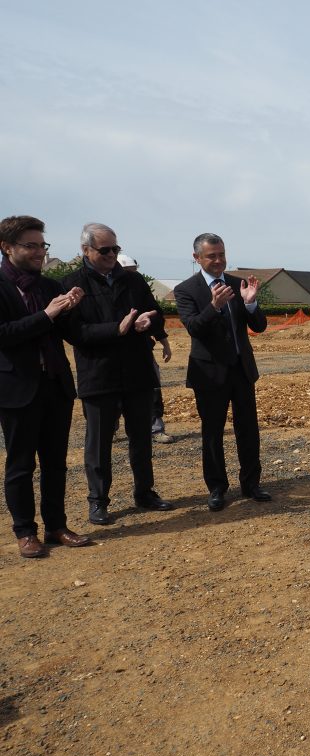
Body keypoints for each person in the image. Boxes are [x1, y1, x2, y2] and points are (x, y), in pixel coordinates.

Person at [63, 223, 174, 526]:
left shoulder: (133, 281)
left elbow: (155, 313)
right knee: (98, 443)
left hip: (137, 371)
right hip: (99, 375)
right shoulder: (72, 284)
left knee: (141, 437)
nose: (112, 254)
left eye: (116, 249)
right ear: (86, 250)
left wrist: (149, 323)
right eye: (105, 250)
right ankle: (98, 501)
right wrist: (118, 328)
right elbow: (74, 331)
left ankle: (145, 492)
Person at [0, 215, 92, 556]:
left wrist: (70, 310)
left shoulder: (49, 287)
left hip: (55, 385)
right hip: (17, 388)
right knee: (21, 465)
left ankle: (56, 526)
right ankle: (25, 532)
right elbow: (4, 335)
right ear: (7, 247)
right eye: (31, 245)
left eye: (42, 245)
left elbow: (67, 334)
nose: (40, 252)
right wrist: (47, 315)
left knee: (55, 462)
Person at [174, 233, 270, 511]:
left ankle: (251, 484)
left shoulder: (236, 284)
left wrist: (251, 302)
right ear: (197, 259)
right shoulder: (186, 290)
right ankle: (217, 487)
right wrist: (214, 306)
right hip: (209, 373)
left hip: (241, 369)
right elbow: (193, 327)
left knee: (248, 430)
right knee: (212, 433)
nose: (218, 260)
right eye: (211, 256)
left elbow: (260, 326)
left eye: (221, 254)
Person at [116, 253, 175, 443]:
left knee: (152, 388)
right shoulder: (107, 291)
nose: (131, 275)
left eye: (133, 271)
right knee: (113, 392)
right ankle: (110, 428)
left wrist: (164, 342)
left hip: (141, 350)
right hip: (113, 352)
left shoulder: (138, 286)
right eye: (128, 271)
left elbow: (155, 314)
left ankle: (156, 428)